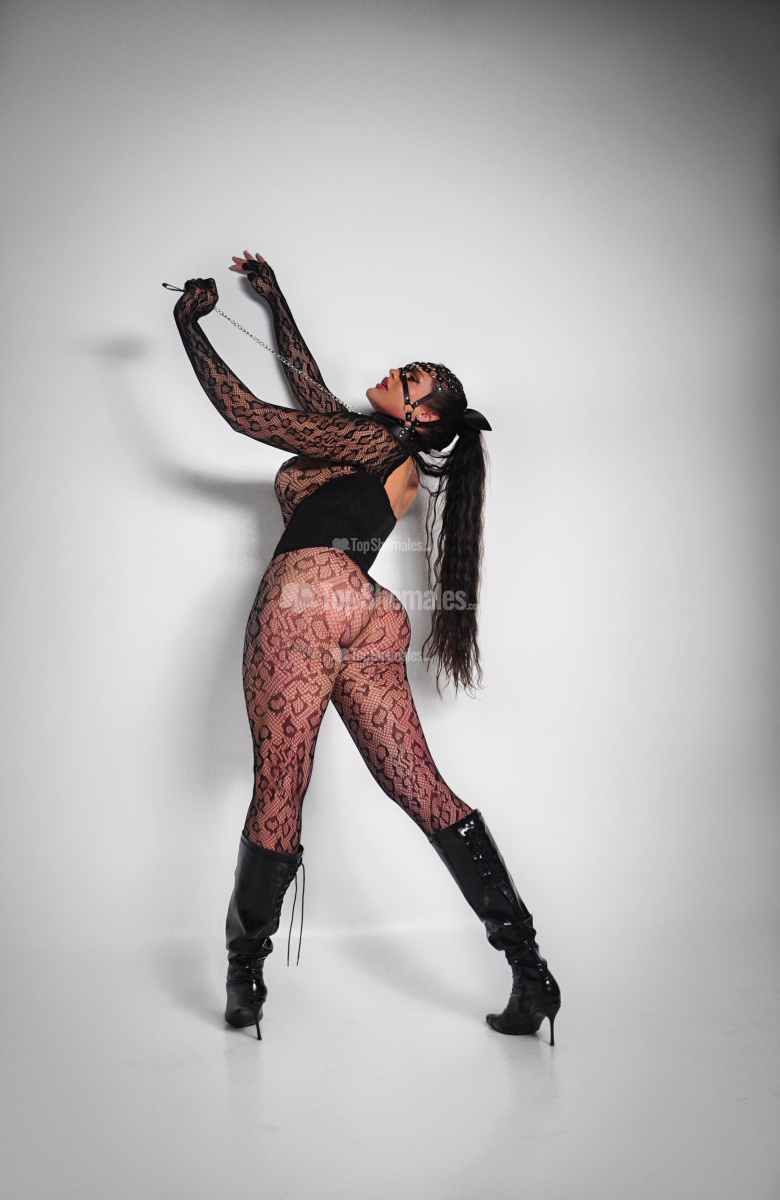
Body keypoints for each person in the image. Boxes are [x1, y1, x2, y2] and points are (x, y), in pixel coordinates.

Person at [172, 254, 560, 1044]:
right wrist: (275, 301)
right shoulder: (386, 454)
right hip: (373, 614)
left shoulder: (371, 439)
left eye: (408, 378)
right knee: (421, 787)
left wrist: (190, 326)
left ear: (419, 416)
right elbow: (308, 395)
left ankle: (244, 976)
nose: (393, 372)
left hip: (309, 596)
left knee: (278, 790)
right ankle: (530, 970)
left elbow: (250, 416)